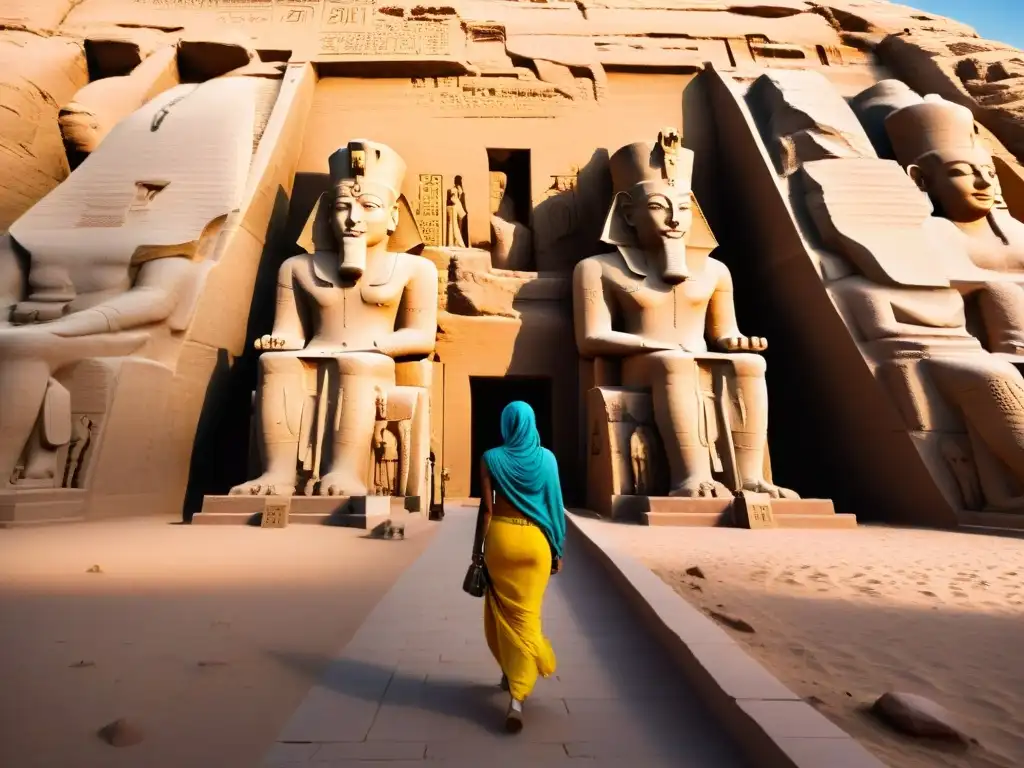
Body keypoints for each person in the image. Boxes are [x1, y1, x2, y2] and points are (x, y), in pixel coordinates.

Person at [471, 401, 566, 733]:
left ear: (506, 424)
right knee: (527, 615)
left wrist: (477, 553)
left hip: (501, 541)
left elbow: (486, 511)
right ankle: (517, 696)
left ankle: (513, 679)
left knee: (501, 613)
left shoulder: (491, 458)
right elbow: (555, 507)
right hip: (535, 545)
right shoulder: (548, 460)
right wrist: (557, 549)